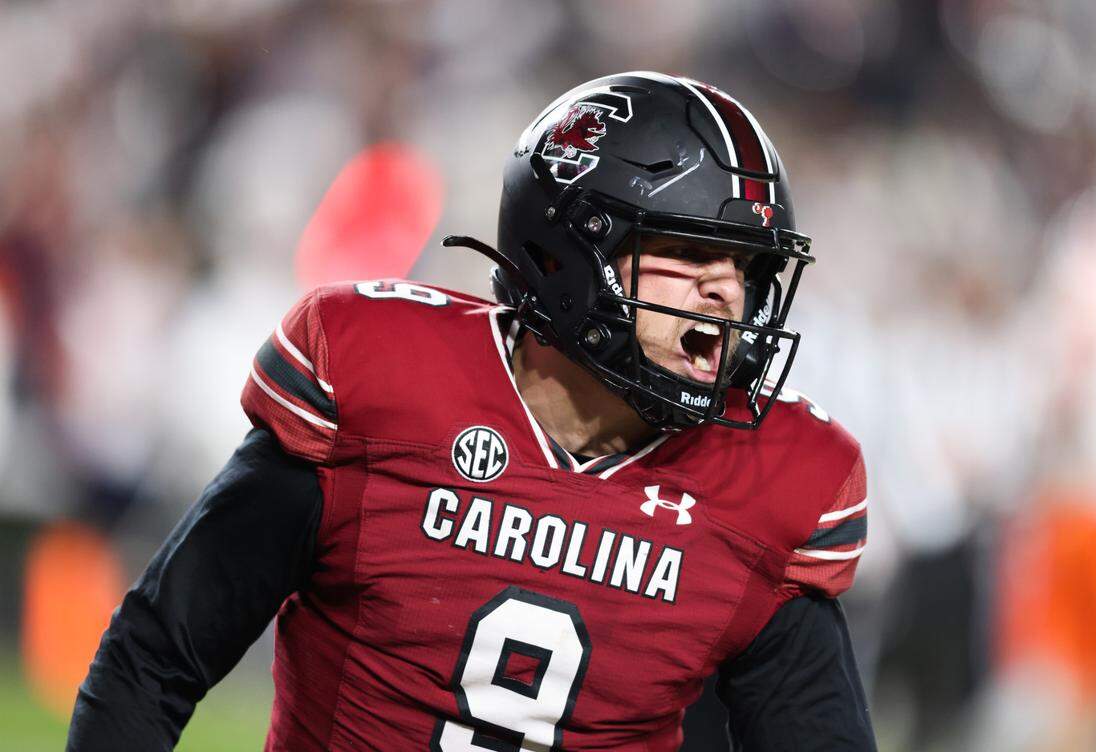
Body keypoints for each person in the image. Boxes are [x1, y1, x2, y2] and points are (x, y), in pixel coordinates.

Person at [68, 72, 874, 751]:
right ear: (566, 250)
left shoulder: (771, 483)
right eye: (692, 251)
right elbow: (155, 659)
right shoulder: (384, 388)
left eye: (746, 265)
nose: (727, 291)